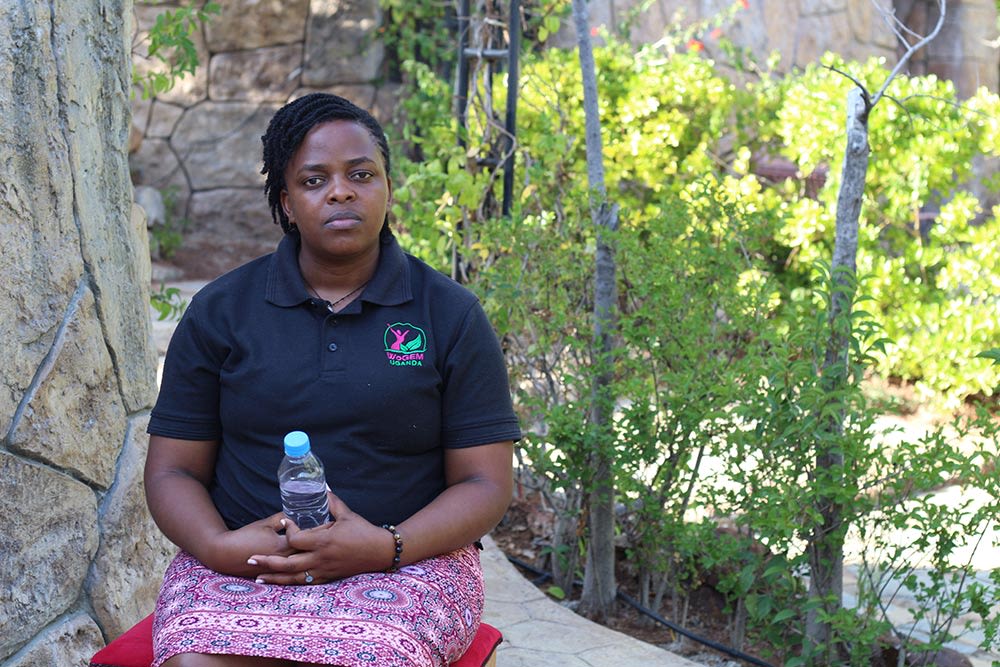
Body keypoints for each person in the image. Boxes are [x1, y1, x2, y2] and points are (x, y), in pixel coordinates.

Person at [144, 92, 521, 667]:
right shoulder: (222, 311)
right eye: (314, 179)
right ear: (287, 203)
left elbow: (485, 485)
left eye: (361, 174)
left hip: (410, 564)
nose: (341, 191)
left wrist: (386, 546)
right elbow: (173, 469)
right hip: (248, 560)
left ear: (388, 188)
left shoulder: (450, 314)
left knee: (378, 659)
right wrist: (219, 547)